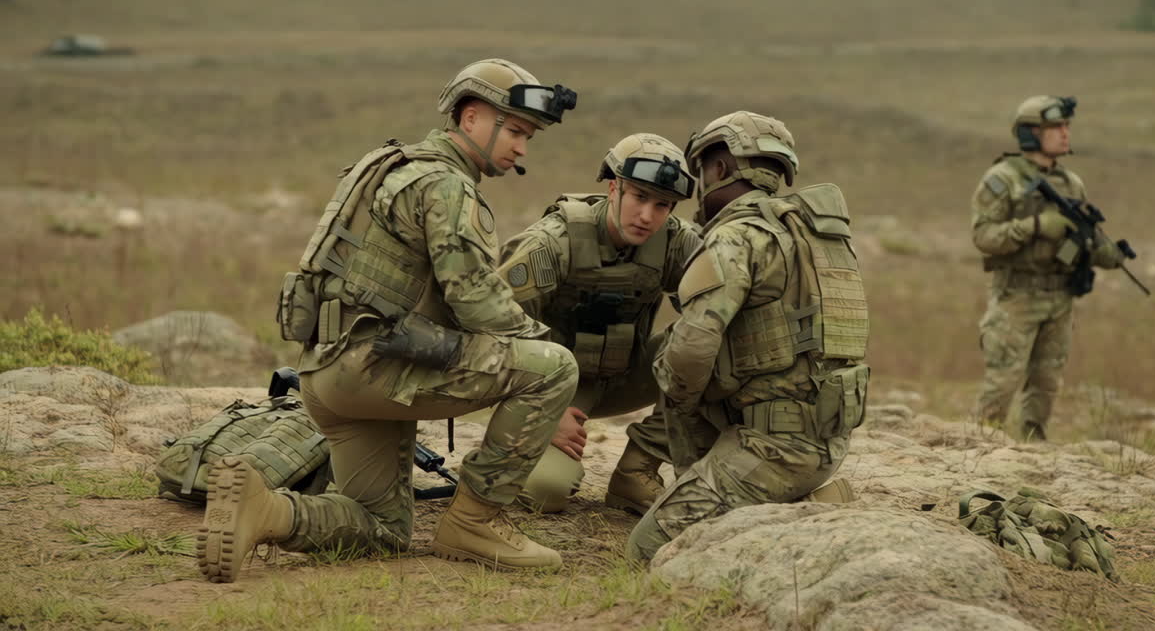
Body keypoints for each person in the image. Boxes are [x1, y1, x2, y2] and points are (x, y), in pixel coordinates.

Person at [197, 58, 581, 582]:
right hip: (375, 368)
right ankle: (474, 523)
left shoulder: (388, 163)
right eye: (515, 130)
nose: (521, 149)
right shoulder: (446, 184)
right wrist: (546, 373)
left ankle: (265, 511)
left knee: (381, 526)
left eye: (528, 137)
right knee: (555, 367)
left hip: (326, 375)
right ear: (471, 118)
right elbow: (474, 298)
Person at [625, 111, 871, 562]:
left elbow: (692, 349)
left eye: (701, 172)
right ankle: (800, 501)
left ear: (717, 169)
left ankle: (794, 518)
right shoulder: (822, 238)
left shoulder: (737, 236)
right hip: (825, 442)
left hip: (767, 451)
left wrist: (680, 408)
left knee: (647, 551)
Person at [498, 133, 703, 515]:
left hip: (623, 377)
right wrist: (545, 407)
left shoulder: (676, 243)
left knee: (707, 339)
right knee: (547, 491)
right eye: (639, 197)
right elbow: (492, 329)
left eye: (662, 205)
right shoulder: (554, 242)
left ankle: (636, 469)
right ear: (614, 188)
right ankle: (506, 450)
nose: (647, 216)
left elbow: (725, 303)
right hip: (549, 385)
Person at [970, 95, 1127, 441]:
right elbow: (982, 236)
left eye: (1067, 126)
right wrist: (1036, 226)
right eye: (1055, 127)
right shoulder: (1002, 179)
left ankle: (1033, 446)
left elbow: (1085, 237)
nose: (1065, 134)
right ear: (1030, 133)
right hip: (1016, 295)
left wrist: (1107, 251)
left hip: (1059, 296)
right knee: (1003, 379)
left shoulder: (1071, 183)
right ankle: (977, 446)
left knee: (1047, 380)